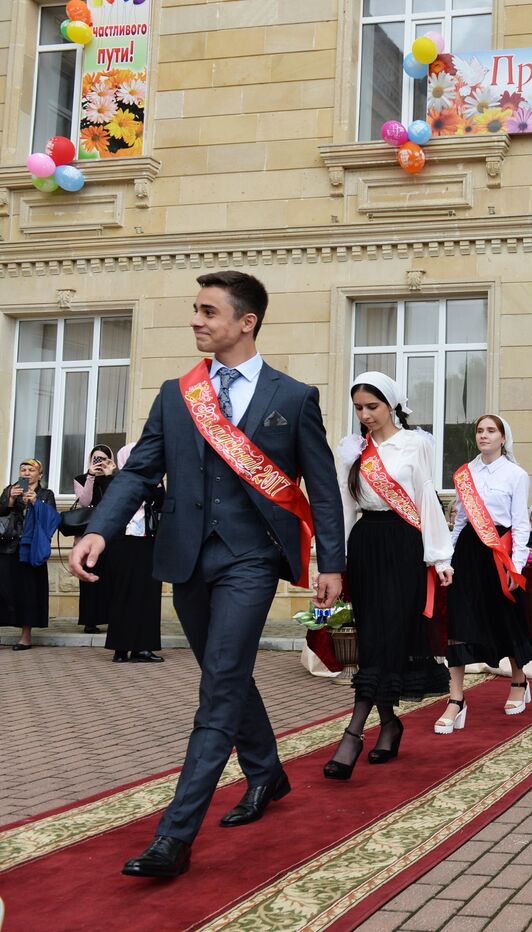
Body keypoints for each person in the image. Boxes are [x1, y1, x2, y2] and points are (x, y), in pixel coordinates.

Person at [70, 271, 345, 879]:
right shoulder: (177, 394)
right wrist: (99, 529)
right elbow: (140, 472)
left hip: (251, 559)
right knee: (227, 672)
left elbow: (322, 489)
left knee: (219, 683)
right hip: (187, 558)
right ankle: (267, 772)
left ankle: (174, 837)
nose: (196, 320)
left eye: (208, 311)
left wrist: (333, 561)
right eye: (195, 310)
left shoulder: (293, 397)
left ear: (246, 322)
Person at [325, 374, 452, 778]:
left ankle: (353, 733)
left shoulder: (416, 444)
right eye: (359, 408)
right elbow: (345, 508)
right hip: (365, 545)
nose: (365, 416)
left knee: (390, 637)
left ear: (392, 405)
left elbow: (426, 497)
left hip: (404, 545)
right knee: (373, 639)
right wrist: (334, 562)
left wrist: (439, 556)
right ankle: (390, 724)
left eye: (372, 407)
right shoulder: (352, 450)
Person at [443, 414, 532, 725]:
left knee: (504, 618)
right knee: (457, 621)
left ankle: (519, 680)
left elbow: (522, 526)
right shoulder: (465, 473)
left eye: (490, 431)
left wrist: (516, 567)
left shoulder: (515, 474)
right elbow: (460, 522)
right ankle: (456, 698)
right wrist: (447, 558)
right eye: (480, 431)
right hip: (468, 552)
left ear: (502, 438)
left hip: (499, 553)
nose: (484, 436)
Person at [104, 442, 165, 663]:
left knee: (147, 594)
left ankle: (143, 648)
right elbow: (108, 503)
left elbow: (161, 504)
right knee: (122, 593)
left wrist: (156, 483)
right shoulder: (114, 479)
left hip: (146, 541)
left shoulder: (152, 479)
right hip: (121, 541)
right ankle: (120, 648)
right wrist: (112, 476)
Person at [1, 459, 57, 650]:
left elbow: (52, 519)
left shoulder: (46, 494)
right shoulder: (10, 490)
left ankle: (26, 636)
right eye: (23, 469)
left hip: (31, 549)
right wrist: (9, 500)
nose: (26, 473)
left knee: (28, 592)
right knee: (5, 590)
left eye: (31, 470)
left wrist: (35, 502)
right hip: (9, 547)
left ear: (39, 475)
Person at [73, 445, 117, 633]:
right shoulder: (81, 479)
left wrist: (109, 475)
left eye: (103, 459)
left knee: (111, 577)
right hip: (88, 534)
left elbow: (115, 501)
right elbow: (84, 501)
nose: (99, 462)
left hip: (110, 535)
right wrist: (91, 476)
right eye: (95, 459)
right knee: (90, 576)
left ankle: (111, 617)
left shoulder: (115, 479)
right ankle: (90, 620)